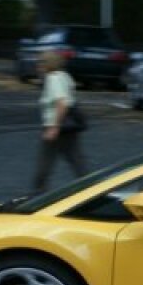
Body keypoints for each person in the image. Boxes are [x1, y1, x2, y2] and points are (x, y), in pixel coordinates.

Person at [31, 51, 87, 192]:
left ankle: (39, 192)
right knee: (76, 160)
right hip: (68, 126)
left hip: (56, 125)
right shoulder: (64, 76)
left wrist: (54, 127)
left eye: (40, 63)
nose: (38, 66)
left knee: (45, 161)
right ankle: (90, 188)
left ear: (48, 65)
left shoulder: (53, 78)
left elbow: (62, 103)